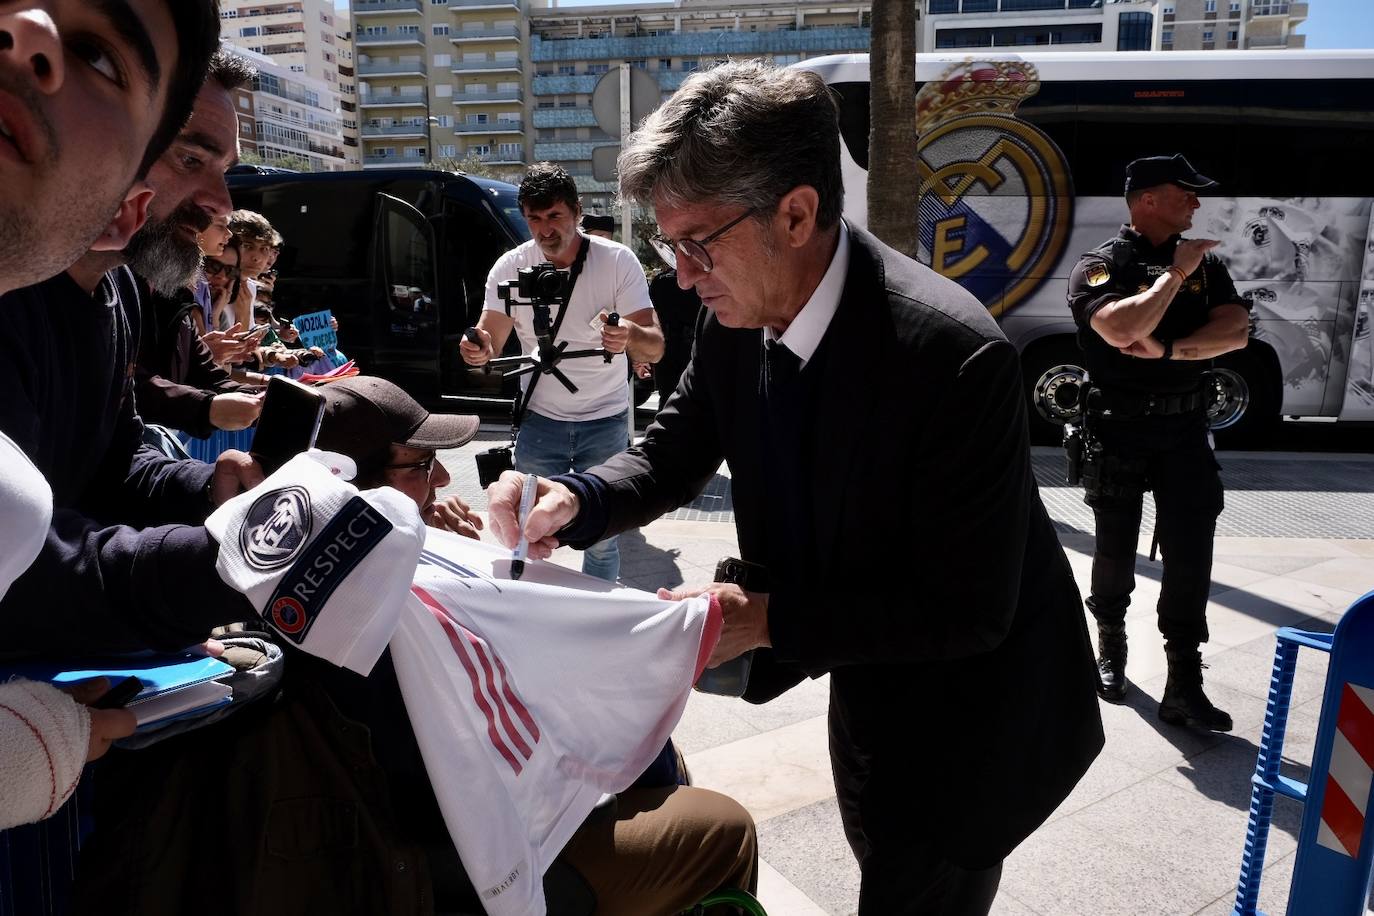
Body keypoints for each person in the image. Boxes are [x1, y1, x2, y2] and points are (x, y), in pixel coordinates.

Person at [485, 61, 1104, 916]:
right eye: (669, 248)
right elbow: (673, 450)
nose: (685, 275)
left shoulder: (952, 356)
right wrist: (575, 501)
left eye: (697, 244)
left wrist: (769, 619)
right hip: (859, 668)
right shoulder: (734, 311)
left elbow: (968, 612)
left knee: (923, 879)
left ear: (799, 212)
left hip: (973, 715)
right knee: (877, 846)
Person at [74, 375, 758, 916]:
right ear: (346, 488)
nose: (439, 483)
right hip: (431, 861)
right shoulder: (383, 613)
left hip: (376, 838)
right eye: (419, 466)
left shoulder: (275, 585)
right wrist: (472, 577)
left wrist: (455, 555)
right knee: (717, 825)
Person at [0, 0, 221, 826]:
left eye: (98, 56)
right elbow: (32, 570)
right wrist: (235, 560)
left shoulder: (117, 292)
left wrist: (212, 487)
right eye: (193, 155)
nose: (222, 201)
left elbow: (112, 455)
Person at [1065, 154, 1251, 731]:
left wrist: (1172, 350)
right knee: (1115, 549)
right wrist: (1173, 275)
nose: (1196, 204)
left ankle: (1183, 682)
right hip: (1118, 427)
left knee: (1191, 550)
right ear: (1146, 199)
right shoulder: (1100, 266)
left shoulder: (1206, 265)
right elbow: (1121, 330)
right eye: (1184, 193)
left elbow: (1236, 332)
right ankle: (1110, 648)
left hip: (1185, 429)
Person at [460, 163, 665, 582]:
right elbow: (490, 339)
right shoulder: (510, 266)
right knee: (525, 534)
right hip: (540, 419)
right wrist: (476, 348)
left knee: (603, 538)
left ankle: (595, 623)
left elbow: (656, 346)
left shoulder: (616, 261)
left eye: (554, 217)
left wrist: (627, 334)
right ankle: (532, 613)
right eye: (534, 219)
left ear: (577, 211)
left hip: (604, 419)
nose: (545, 231)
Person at [0, 0, 221, 298]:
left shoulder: (127, 301)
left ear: (122, 213)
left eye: (93, 56)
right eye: (190, 158)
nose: (23, 24)